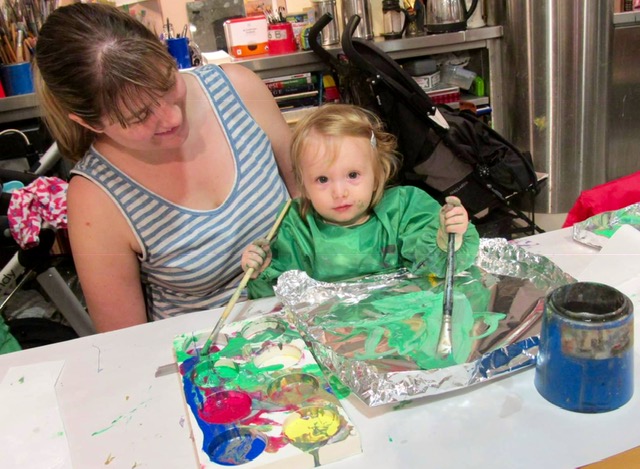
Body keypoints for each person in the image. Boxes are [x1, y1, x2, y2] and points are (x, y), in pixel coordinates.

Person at [33, 3, 298, 332]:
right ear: (90, 122)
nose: (173, 118)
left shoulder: (239, 90)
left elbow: (311, 202)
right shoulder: (96, 198)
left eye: (167, 83)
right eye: (138, 117)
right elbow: (127, 344)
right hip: (213, 364)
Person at [241, 104, 480, 298]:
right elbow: (275, 301)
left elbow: (436, 269)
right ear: (303, 184)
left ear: (377, 174)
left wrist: (447, 238)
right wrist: (262, 272)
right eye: (322, 179)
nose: (339, 192)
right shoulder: (297, 226)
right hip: (329, 332)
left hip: (401, 322)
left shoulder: (404, 209)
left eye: (352, 175)